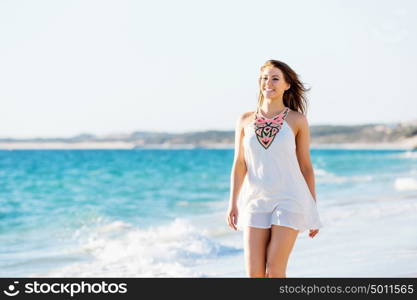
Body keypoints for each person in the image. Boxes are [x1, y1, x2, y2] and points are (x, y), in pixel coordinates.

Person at [226, 59, 323, 278]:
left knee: (275, 271)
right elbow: (239, 164)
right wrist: (232, 202)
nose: (268, 83)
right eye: (264, 78)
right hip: (255, 200)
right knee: (255, 275)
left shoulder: (297, 120)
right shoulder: (244, 120)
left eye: (275, 78)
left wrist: (312, 207)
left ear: (287, 84)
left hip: (289, 199)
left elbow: (305, 166)